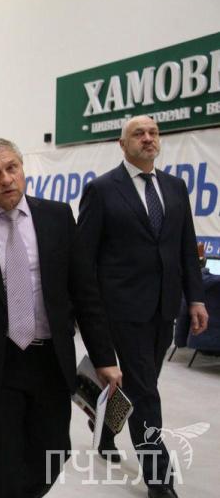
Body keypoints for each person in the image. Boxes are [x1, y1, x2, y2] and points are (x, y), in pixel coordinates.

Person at [0, 137, 121, 497]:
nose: (6, 179)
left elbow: (85, 293)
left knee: (53, 453)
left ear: (22, 169)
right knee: (2, 464)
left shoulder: (57, 217)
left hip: (51, 361)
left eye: (12, 168)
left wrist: (104, 358)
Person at [78, 115, 207, 498]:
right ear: (123, 144)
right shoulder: (102, 190)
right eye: (139, 134)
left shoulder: (175, 187)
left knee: (140, 385)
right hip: (120, 309)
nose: (148, 138)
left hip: (164, 307)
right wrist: (88, 313)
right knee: (146, 392)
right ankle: (159, 479)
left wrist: (195, 297)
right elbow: (84, 258)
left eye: (153, 132)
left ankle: (105, 430)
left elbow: (186, 247)